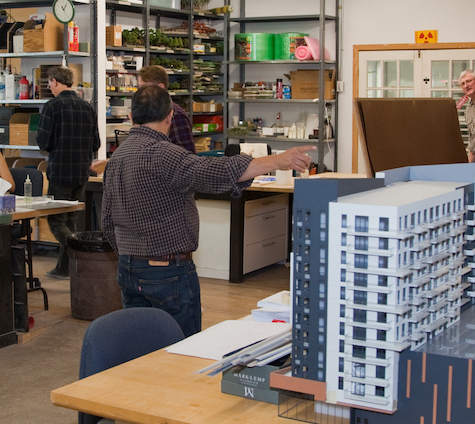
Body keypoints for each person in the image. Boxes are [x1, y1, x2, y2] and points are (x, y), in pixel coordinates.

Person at [101, 84, 314, 337]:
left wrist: (131, 254)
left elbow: (106, 221)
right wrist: (276, 161)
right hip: (167, 272)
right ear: (170, 116)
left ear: (131, 117)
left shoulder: (116, 158)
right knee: (181, 346)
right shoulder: (166, 154)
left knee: (138, 345)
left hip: (128, 269)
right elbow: (215, 172)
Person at [36, 65, 100, 278]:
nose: (49, 86)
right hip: (81, 173)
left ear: (54, 81)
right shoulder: (87, 107)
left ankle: (82, 252)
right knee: (71, 221)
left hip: (60, 172)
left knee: (55, 220)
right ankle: (64, 269)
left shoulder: (52, 106)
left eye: (49, 83)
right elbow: (96, 142)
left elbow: (43, 142)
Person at [137, 64, 195, 152]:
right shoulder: (141, 110)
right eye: (139, 87)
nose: (140, 92)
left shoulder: (177, 115)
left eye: (144, 87)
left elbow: (187, 154)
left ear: (160, 87)